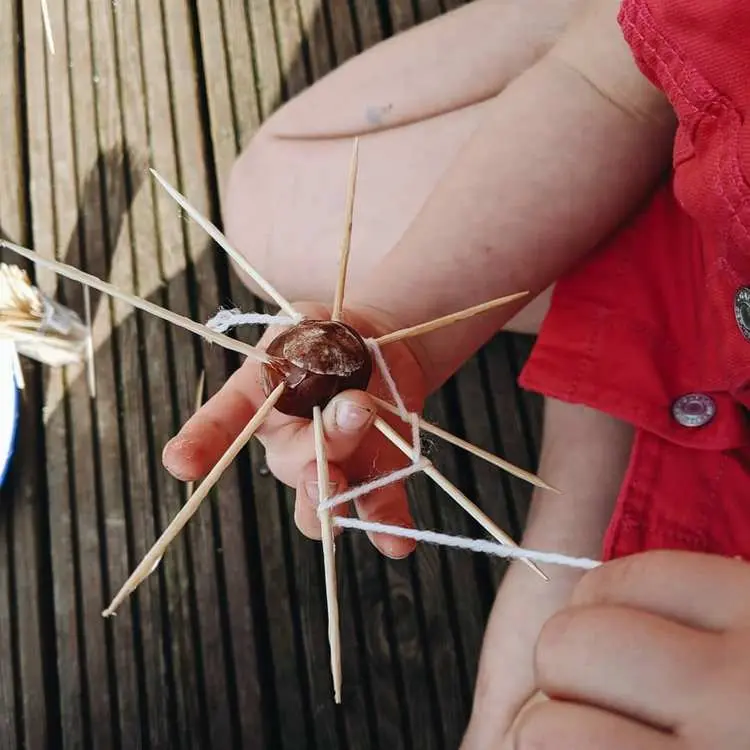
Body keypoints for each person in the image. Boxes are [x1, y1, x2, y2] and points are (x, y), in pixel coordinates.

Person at [162, 0, 750, 745]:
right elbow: (606, 83)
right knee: (271, 202)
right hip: (705, 260)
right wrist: (401, 323)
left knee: (518, 716)